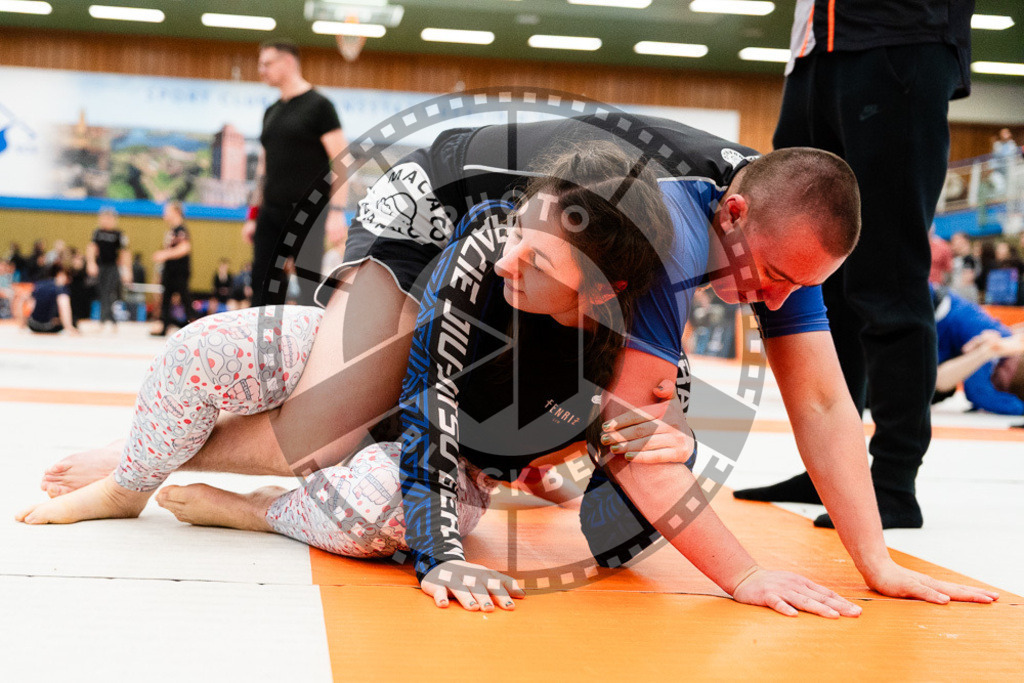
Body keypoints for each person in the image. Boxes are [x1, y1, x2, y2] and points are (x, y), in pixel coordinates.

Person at [30, 114, 997, 609]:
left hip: (549, 254)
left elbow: (825, 405)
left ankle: (188, 453)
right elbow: (649, 458)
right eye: (777, 277)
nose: (780, 299)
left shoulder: (786, 225)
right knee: (316, 434)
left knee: (553, 422)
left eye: (802, 286)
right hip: (437, 204)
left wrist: (874, 560)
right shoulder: (667, 232)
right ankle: (141, 461)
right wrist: (743, 579)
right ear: (734, 214)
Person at [735, 1, 975, 529]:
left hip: (898, 36)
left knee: (887, 275)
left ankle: (892, 481)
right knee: (820, 278)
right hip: (815, 49)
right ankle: (830, 468)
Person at [243, 40, 348, 307]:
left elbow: (341, 160)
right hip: (271, 213)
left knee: (308, 285)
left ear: (288, 62)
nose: (261, 70)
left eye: (267, 64)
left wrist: (337, 212)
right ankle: (265, 346)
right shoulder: (271, 111)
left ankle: (311, 348)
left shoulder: (320, 106)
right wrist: (254, 215)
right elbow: (264, 168)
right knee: (262, 282)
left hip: (308, 213)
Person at [932, 285, 1024, 415]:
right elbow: (940, 381)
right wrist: (992, 348)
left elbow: (940, 381)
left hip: (933, 316)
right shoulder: (998, 339)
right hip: (932, 309)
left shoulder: (995, 348)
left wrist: (989, 350)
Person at [152, 202, 195, 336]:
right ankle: (165, 326)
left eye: (167, 211)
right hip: (170, 271)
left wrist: (164, 255)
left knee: (185, 298)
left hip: (179, 272)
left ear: (176, 212)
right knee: (166, 299)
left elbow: (185, 248)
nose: (164, 214)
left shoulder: (181, 229)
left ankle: (193, 324)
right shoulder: (172, 230)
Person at [87, 207, 130, 331]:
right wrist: (91, 263)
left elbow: (124, 253)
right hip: (101, 266)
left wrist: (126, 270)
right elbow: (92, 248)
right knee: (102, 293)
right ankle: (111, 320)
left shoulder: (118, 234)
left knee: (109, 292)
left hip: (113, 267)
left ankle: (103, 321)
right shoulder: (98, 233)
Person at [24, 265, 78, 335]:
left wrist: (22, 324)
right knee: (74, 321)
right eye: (68, 277)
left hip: (32, 325)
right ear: (61, 274)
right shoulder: (60, 288)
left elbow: (25, 301)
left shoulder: (39, 285)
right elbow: (64, 305)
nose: (69, 281)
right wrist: (69, 328)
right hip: (48, 327)